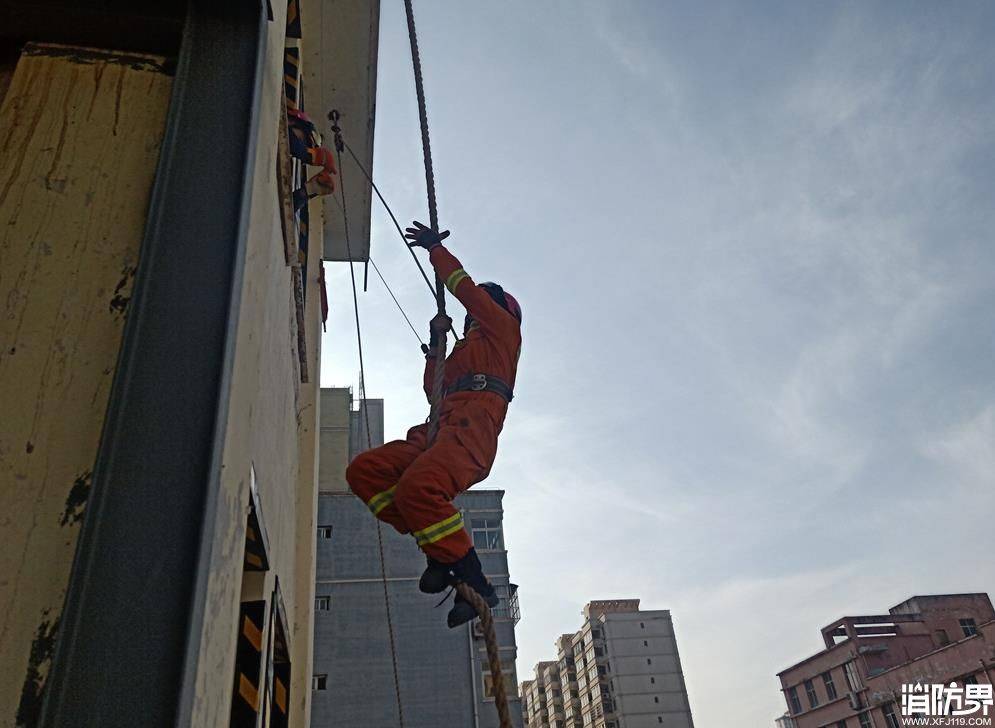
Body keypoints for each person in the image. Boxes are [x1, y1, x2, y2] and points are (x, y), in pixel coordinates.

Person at [346, 221, 522, 627]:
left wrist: (433, 250)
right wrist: (435, 344)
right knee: (365, 472)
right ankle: (440, 554)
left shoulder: (503, 332)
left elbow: (464, 287)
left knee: (419, 488)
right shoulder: (463, 350)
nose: (472, 312)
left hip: (470, 432)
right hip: (438, 431)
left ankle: (477, 582)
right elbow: (433, 390)